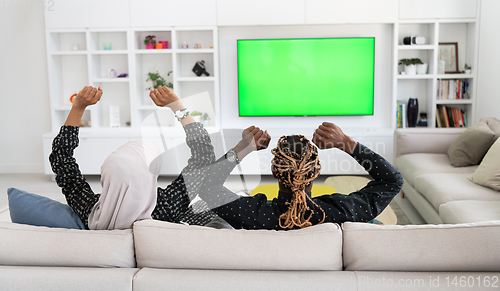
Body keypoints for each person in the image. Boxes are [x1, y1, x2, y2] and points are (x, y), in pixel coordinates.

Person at [50, 85, 224, 230]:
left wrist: (77, 107)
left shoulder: (92, 212)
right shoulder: (166, 207)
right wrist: (177, 107)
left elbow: (61, 160)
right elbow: (204, 156)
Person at [197, 124, 404, 230]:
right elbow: (393, 180)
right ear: (316, 172)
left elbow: (206, 186)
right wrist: (347, 143)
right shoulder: (342, 211)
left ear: (274, 172)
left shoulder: (251, 214)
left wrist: (242, 148)